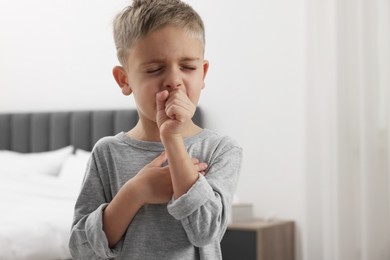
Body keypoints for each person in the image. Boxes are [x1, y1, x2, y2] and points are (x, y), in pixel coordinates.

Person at [68, 0, 242, 259]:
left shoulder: (220, 150)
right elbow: (81, 249)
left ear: (203, 74)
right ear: (124, 79)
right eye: (155, 69)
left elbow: (206, 232)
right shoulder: (107, 154)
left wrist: (172, 139)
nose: (174, 80)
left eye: (188, 67)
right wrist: (137, 191)